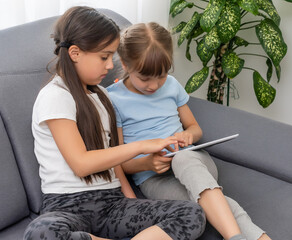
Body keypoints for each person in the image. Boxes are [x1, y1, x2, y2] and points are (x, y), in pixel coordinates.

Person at [24, 7, 206, 240]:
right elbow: (81, 164)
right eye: (104, 57)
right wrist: (142, 146)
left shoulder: (102, 96)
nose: (110, 65)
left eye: (112, 57)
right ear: (75, 53)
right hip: (67, 205)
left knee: (192, 214)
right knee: (41, 233)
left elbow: (114, 161)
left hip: (112, 203)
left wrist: (131, 201)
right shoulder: (55, 96)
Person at [107, 22, 272, 240]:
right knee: (211, 202)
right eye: (145, 79)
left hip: (193, 162)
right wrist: (147, 163)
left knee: (183, 159)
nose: (154, 86)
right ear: (126, 65)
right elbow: (119, 159)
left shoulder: (172, 86)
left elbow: (195, 129)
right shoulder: (113, 99)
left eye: (162, 76)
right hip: (153, 179)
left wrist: (187, 136)